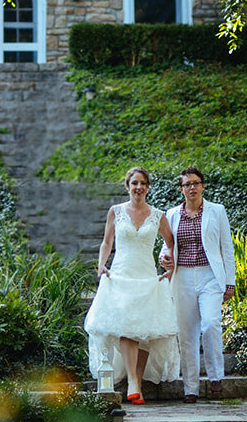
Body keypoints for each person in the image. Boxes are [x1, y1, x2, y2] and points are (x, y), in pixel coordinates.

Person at [83, 166, 181, 405]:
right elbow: (107, 242)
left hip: (147, 277)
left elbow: (170, 242)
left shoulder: (158, 215)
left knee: (144, 331)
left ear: (147, 187)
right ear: (127, 187)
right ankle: (134, 383)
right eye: (134, 183)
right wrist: (101, 265)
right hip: (121, 276)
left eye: (143, 183)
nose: (139, 187)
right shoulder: (116, 212)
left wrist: (169, 267)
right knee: (127, 328)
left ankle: (134, 380)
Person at [160, 166, 236, 403]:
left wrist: (230, 282)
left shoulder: (217, 211)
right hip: (182, 277)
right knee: (186, 333)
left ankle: (215, 378)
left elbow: (227, 247)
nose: (191, 187)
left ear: (203, 186)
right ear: (181, 189)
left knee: (211, 324)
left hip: (210, 276)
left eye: (196, 183)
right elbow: (167, 245)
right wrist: (164, 257)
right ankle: (191, 388)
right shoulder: (171, 214)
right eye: (187, 184)